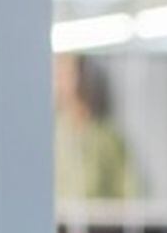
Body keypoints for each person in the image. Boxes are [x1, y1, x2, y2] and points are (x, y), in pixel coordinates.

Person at [53, 52, 142, 204]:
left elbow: (131, 192)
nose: (64, 81)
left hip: (102, 225)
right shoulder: (51, 134)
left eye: (70, 73)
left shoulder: (108, 138)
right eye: (59, 73)